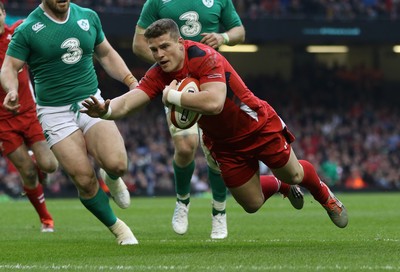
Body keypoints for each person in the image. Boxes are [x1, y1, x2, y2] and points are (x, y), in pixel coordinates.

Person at [80, 19, 348, 230]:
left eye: (164, 47)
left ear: (180, 42)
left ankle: (325, 196)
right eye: (153, 50)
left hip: (255, 125)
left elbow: (215, 103)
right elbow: (129, 102)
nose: (159, 54)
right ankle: (282, 187)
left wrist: (172, 96)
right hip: (223, 143)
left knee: (296, 175)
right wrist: (106, 109)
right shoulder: (158, 74)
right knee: (252, 204)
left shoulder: (204, 56)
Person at [131, 0, 302, 240]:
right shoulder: (156, 2)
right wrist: (165, 60)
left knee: (215, 157)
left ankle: (219, 212)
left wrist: (223, 38)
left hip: (213, 83)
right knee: (185, 146)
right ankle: (182, 201)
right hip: (180, 86)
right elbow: (139, 44)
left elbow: (239, 31)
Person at [1, 0, 138, 245]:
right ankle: (119, 229)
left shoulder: (88, 17)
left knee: (117, 164)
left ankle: (112, 177)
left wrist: (130, 81)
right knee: (84, 179)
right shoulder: (29, 28)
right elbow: (9, 67)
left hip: (90, 100)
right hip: (54, 112)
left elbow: (105, 53)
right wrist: (11, 90)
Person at [0, 2, 58, 233]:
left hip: (30, 112)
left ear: (3, 14)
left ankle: (39, 162)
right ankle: (46, 219)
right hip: (3, 122)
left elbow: (43, 22)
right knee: (27, 172)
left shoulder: (19, 33)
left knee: (50, 166)